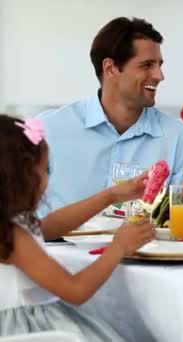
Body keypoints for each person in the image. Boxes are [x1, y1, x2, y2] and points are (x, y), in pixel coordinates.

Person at [0, 115, 156, 340]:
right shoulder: (13, 236)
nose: (46, 180)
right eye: (44, 171)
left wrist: (111, 195)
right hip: (33, 332)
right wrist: (118, 247)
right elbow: (75, 291)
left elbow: (51, 225)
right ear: (20, 178)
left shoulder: (11, 225)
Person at [37, 17, 183, 215]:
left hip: (145, 246)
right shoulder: (48, 128)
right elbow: (20, 216)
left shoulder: (178, 136)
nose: (159, 76)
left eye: (159, 65)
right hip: (56, 245)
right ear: (110, 68)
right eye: (147, 65)